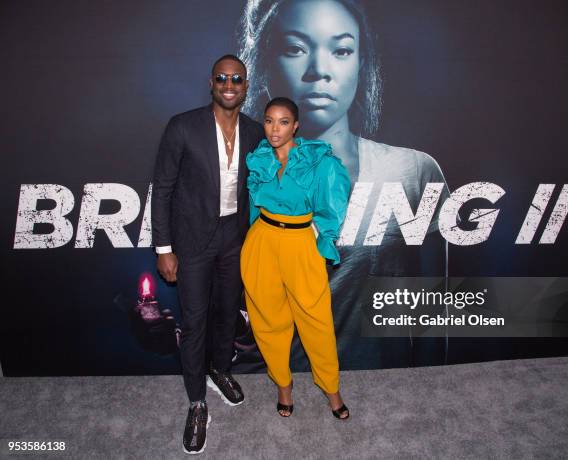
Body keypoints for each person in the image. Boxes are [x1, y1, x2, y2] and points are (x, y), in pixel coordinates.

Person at [237, 0, 450, 370]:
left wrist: (428, 404)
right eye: (295, 49)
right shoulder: (242, 177)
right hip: (268, 393)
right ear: (266, 61)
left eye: (341, 50)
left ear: (361, 62)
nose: (319, 71)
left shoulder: (413, 173)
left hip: (384, 400)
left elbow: (431, 320)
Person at [152, 54, 265, 453]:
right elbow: (162, 188)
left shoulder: (255, 131)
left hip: (236, 238)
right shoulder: (183, 126)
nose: (229, 84)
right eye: (222, 78)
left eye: (237, 78)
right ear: (211, 83)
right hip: (193, 241)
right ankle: (198, 401)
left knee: (227, 314)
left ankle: (221, 369)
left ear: (246, 85)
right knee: (196, 319)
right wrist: (164, 248)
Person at [241, 97, 351, 419]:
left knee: (317, 322)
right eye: (269, 121)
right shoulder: (259, 159)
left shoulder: (318, 161)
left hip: (300, 242)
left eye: (283, 122)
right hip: (262, 241)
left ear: (296, 125)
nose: (275, 129)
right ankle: (283, 387)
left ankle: (332, 390)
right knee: (267, 321)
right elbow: (251, 208)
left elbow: (332, 207)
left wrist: (325, 242)